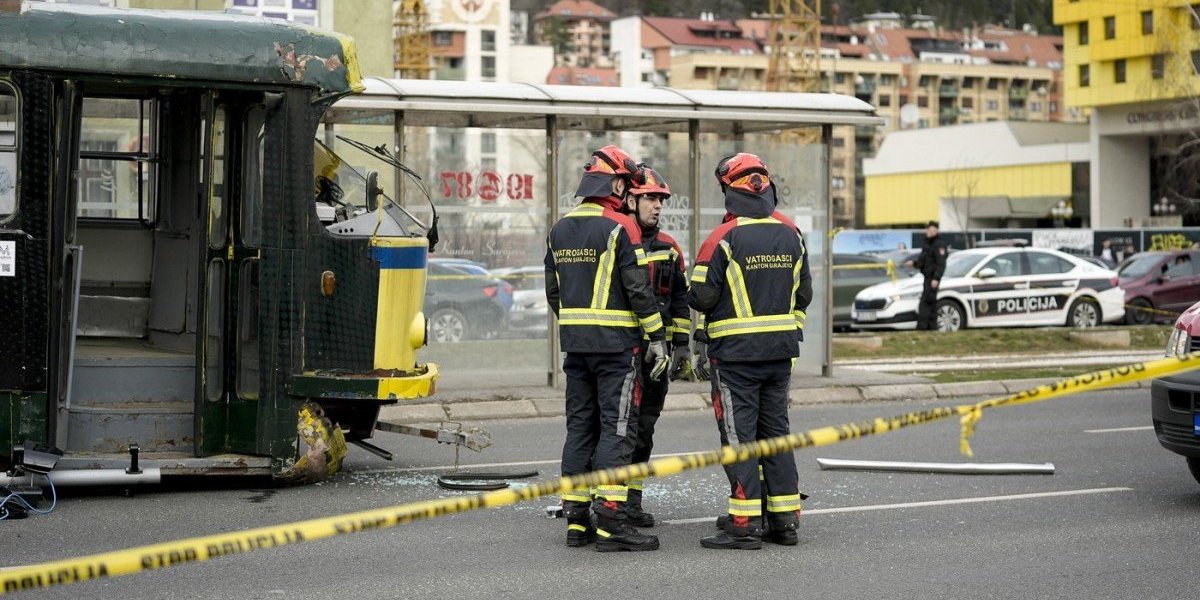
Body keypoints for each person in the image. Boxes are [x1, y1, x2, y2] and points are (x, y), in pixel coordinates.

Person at [544, 145, 669, 552]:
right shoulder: (620, 228)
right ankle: (613, 522)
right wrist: (656, 337)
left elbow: (553, 292)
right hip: (617, 350)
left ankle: (577, 521)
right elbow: (637, 288)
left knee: (580, 427)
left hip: (576, 347)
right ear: (615, 184)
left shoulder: (558, 229)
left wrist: (578, 324)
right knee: (617, 430)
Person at [688, 153, 811, 550]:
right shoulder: (791, 233)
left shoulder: (722, 237)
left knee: (740, 439)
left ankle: (743, 524)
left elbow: (702, 296)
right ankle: (784, 522)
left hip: (737, 359)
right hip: (779, 355)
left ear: (729, 189)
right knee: (776, 436)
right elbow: (804, 294)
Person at [620, 164, 692, 528]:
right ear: (630, 199)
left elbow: (679, 300)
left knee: (644, 430)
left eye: (661, 200)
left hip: (656, 358)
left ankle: (631, 501)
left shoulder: (669, 248)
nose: (657, 206)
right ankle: (606, 505)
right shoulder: (617, 240)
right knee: (618, 431)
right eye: (650, 198)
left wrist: (681, 345)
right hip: (623, 353)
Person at [914, 220, 947, 331]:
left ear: (936, 231)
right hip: (927, 277)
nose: (931, 232)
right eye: (929, 230)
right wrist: (914, 264)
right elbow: (923, 260)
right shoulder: (927, 244)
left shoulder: (939, 244)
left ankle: (923, 327)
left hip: (933, 278)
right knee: (931, 303)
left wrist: (936, 278)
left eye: (933, 230)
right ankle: (932, 327)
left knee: (926, 302)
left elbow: (941, 263)